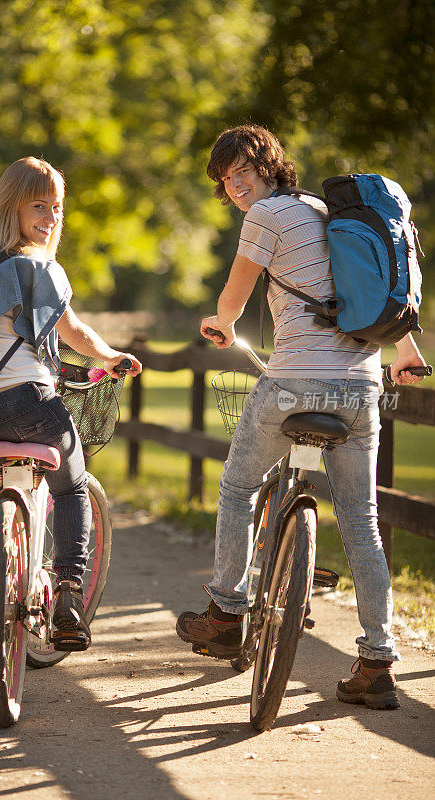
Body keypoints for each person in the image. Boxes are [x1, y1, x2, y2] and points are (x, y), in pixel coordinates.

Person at [176, 124, 428, 710]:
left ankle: (226, 613)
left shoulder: (265, 218)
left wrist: (223, 324)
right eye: (226, 179)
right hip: (361, 387)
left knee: (238, 488)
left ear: (269, 166)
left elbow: (235, 295)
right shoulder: (332, 214)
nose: (236, 187)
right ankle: (377, 662)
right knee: (362, 524)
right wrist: (407, 349)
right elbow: (370, 295)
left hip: (293, 381)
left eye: (243, 171)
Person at [0, 157, 142, 706]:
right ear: (12, 206)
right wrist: (111, 356)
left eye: (57, 207)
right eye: (40, 205)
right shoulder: (37, 268)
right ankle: (71, 598)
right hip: (30, 407)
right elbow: (70, 330)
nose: (52, 217)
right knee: (74, 485)